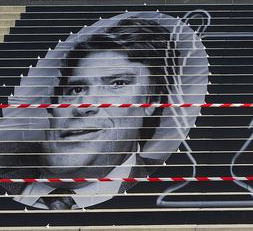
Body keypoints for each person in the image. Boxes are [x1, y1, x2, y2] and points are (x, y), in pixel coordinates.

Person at [13, 19, 174, 210]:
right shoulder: (4, 166)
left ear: (151, 102)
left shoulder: (166, 185)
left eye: (117, 84)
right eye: (76, 89)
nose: (84, 106)